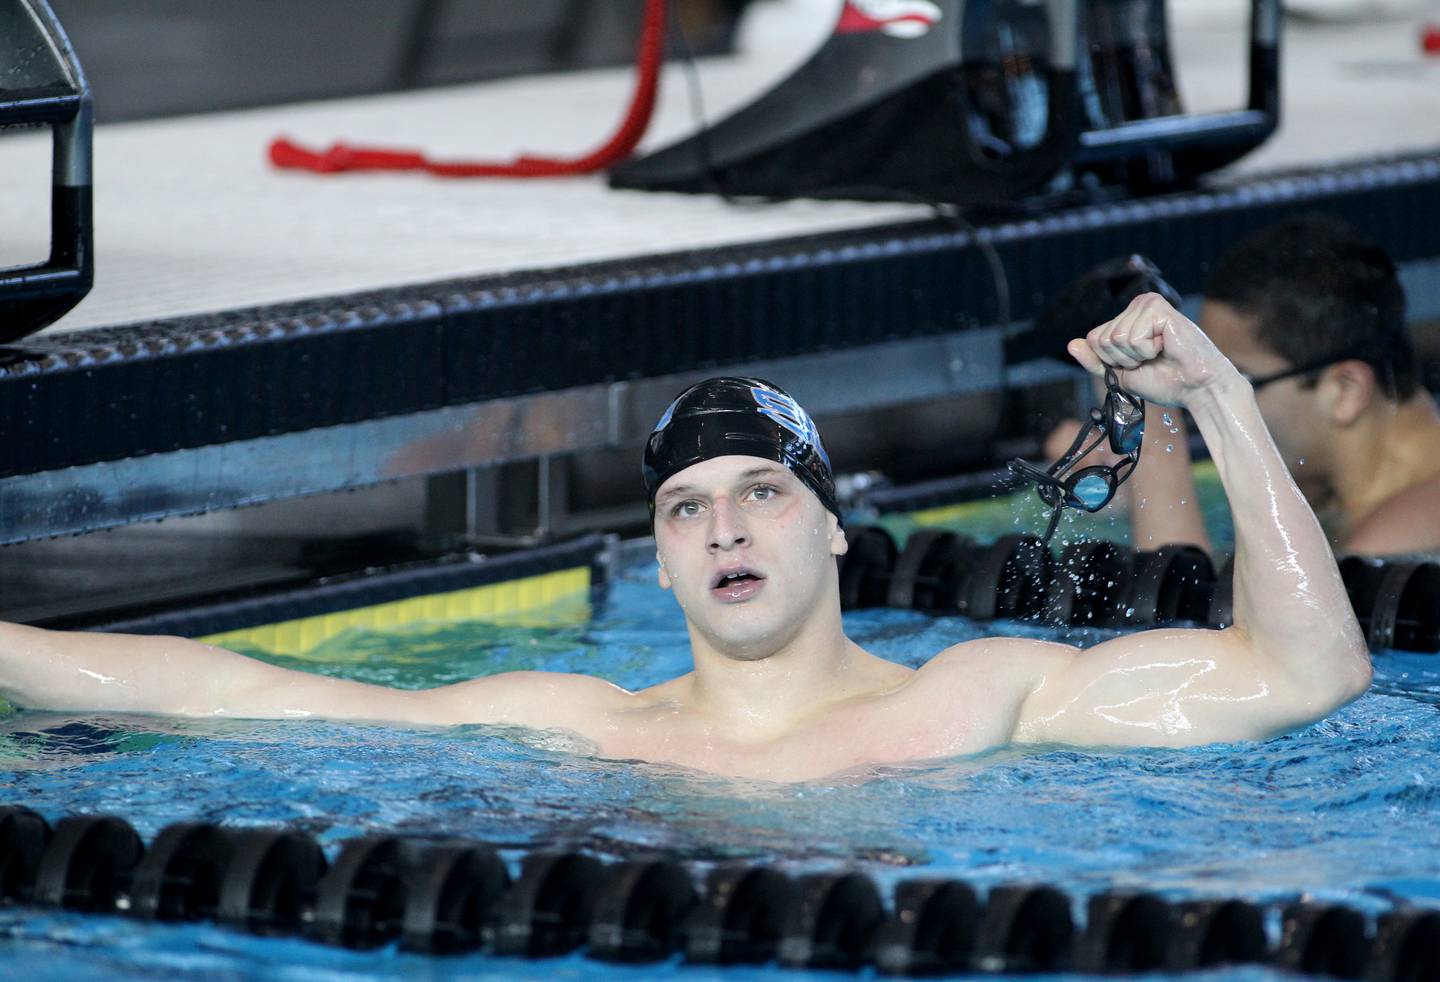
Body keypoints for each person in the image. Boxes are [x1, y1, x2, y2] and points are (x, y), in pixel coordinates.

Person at [0, 296, 1372, 782]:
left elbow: (1310, 672)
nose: (722, 523)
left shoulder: (983, 694)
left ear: (837, 531)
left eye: (762, 492)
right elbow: (237, 687)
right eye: (684, 507)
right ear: (656, 563)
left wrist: (1222, 401)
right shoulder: (576, 717)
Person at [1047, 214, 1440, 556]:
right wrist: (1114, 482)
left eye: (1236, 379)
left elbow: (1193, 636)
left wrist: (1148, 428)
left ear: (1345, 389)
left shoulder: (1398, 540)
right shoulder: (1339, 496)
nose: (1204, 404)